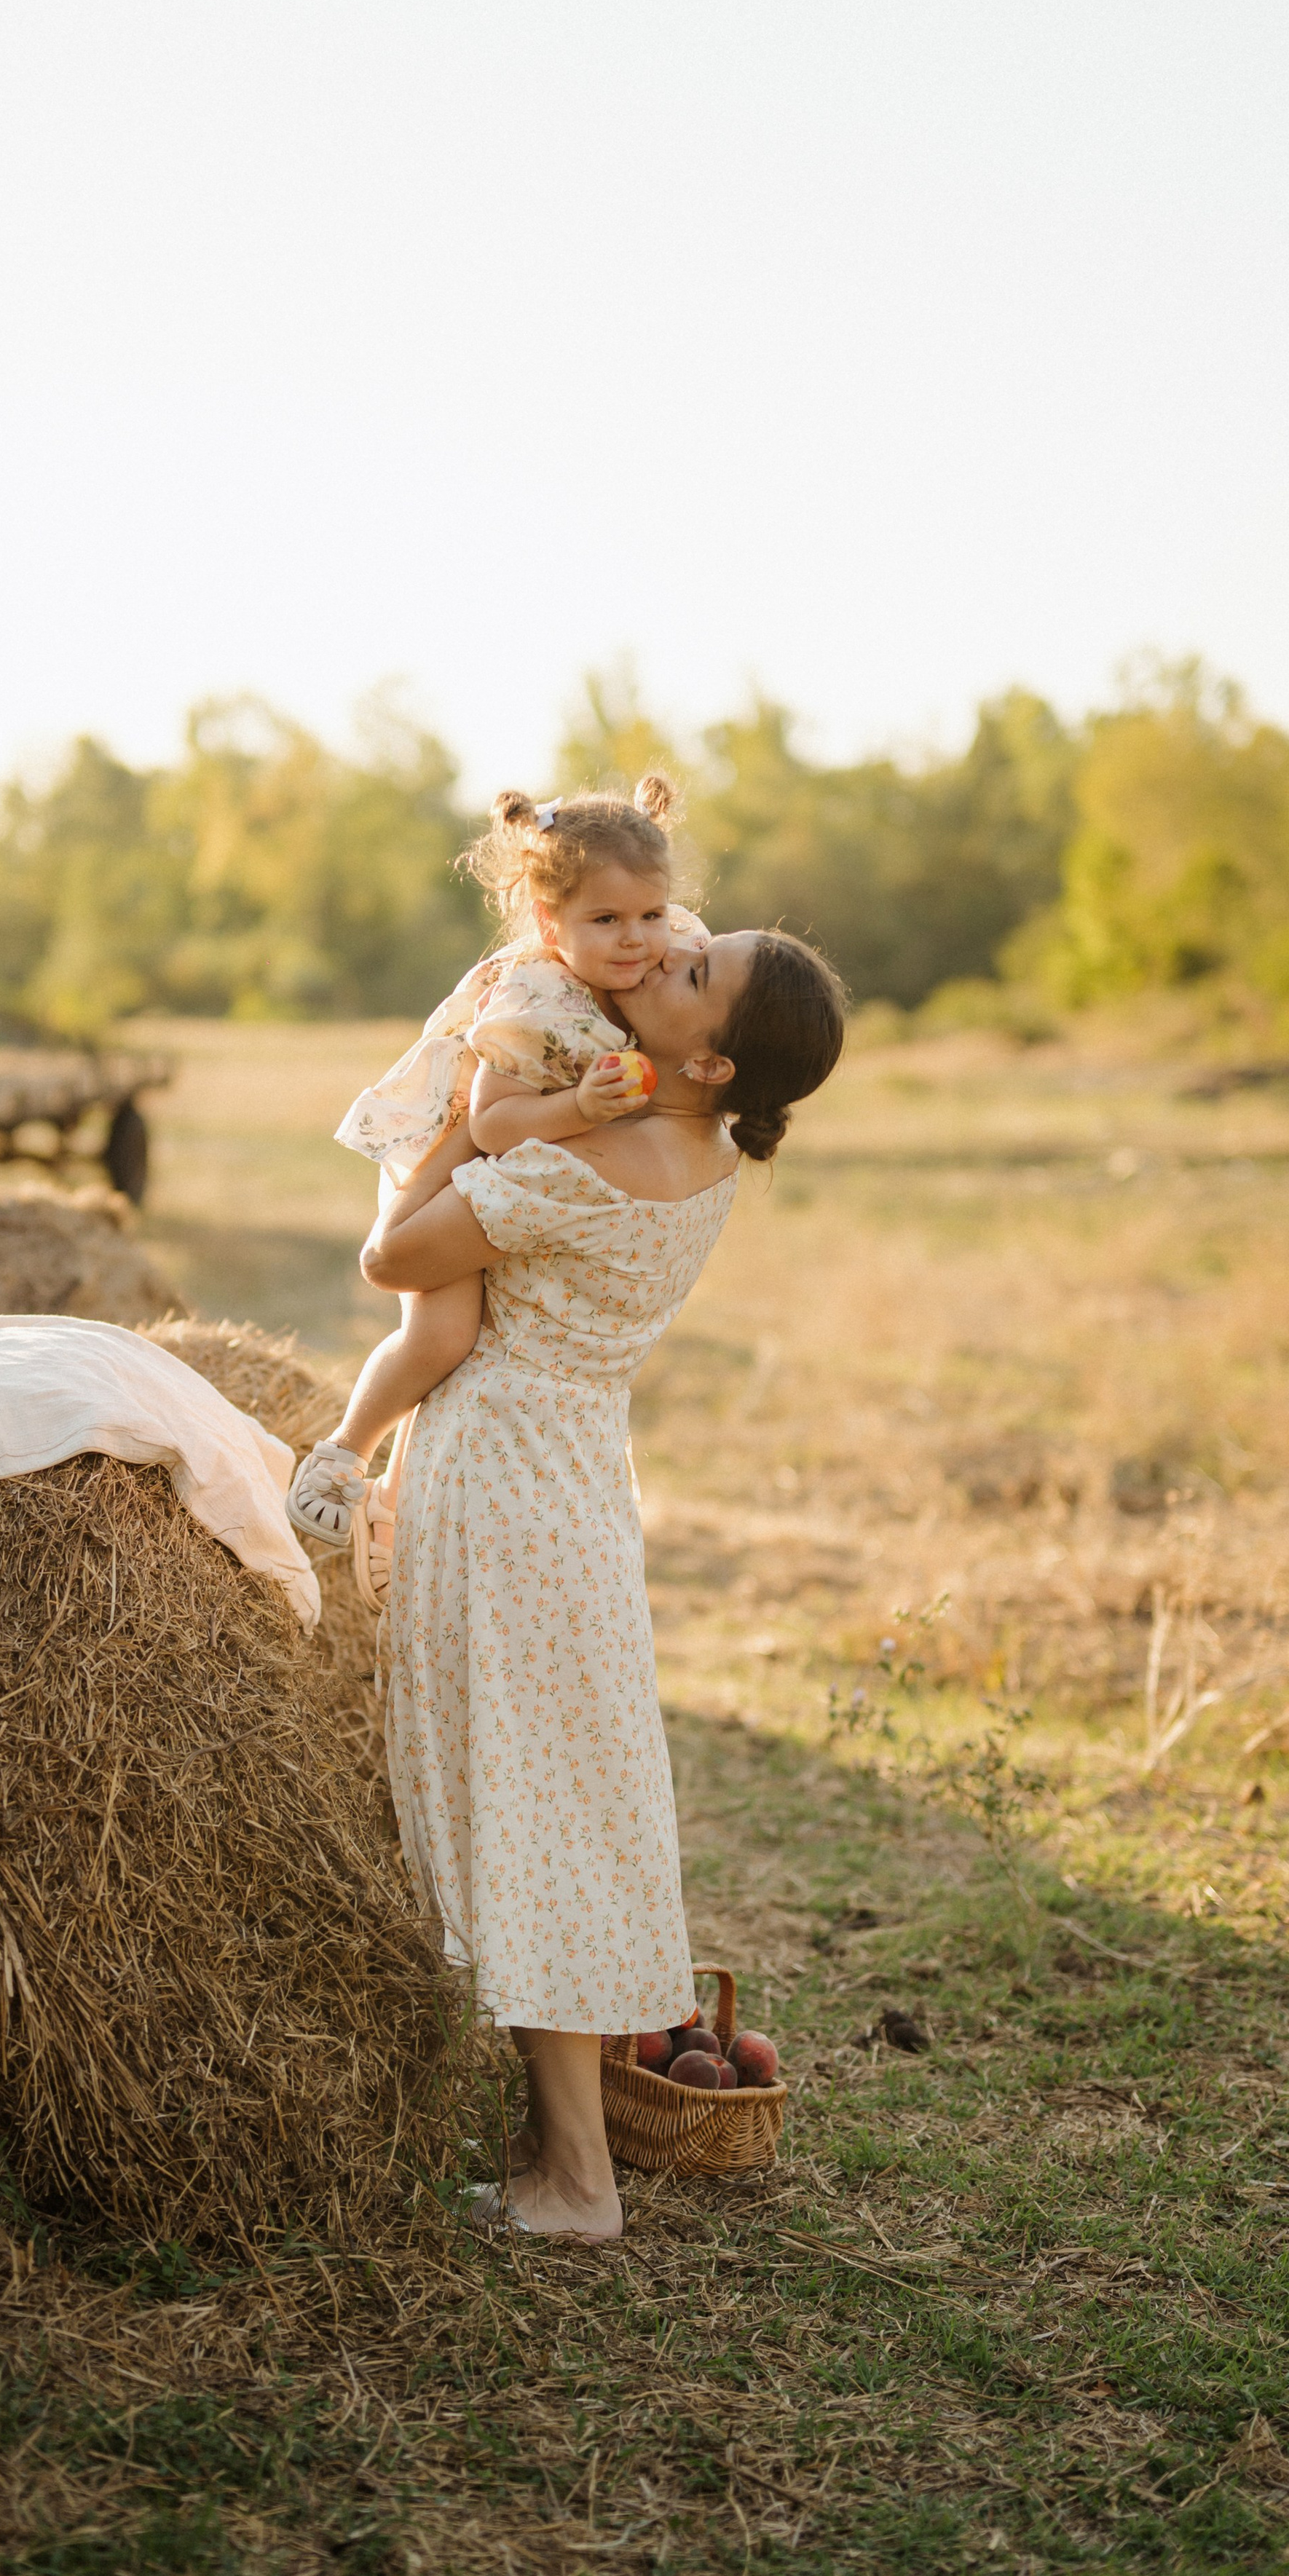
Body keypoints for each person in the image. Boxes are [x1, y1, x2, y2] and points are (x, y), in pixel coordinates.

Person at [358, 912, 846, 2239]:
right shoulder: (704, 1154)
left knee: (525, 1808)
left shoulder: (593, 1162)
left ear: (715, 1062)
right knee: (564, 1805)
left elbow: (394, 1259)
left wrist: (462, 1112)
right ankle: (566, 2155)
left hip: (504, 1476)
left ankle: (577, 2182)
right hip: (575, 1477)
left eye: (693, 973)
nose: (659, 961)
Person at [286, 779, 707, 1584]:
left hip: (511, 1174)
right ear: (551, 924)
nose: (636, 940)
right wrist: (581, 1106)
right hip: (442, 1159)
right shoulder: (536, 999)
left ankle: (395, 1509)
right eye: (606, 920)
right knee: (444, 1336)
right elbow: (492, 1125)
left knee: (482, 1348)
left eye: (651, 914)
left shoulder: (664, 954)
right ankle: (341, 1455)